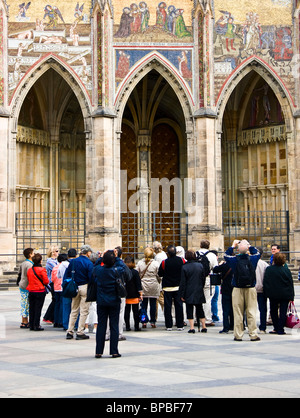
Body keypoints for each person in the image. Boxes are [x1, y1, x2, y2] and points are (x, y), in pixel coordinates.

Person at [224, 239, 261, 342]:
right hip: (250, 288)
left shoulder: (234, 260)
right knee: (251, 312)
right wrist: (249, 246)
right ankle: (253, 334)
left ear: (238, 250)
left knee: (238, 312)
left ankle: (238, 335)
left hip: (237, 288)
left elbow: (226, 255)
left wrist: (233, 246)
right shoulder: (253, 259)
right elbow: (257, 253)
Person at [93, 250, 122, 358]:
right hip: (114, 300)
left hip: (101, 301)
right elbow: (124, 268)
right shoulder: (117, 270)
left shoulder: (98, 270)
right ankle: (114, 351)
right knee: (114, 325)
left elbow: (94, 266)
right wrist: (117, 257)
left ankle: (98, 351)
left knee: (101, 325)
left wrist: (100, 257)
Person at [65, 245, 94, 340]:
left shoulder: (73, 261)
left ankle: (70, 331)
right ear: (88, 252)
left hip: (74, 287)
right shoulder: (88, 263)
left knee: (74, 310)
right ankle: (80, 331)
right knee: (84, 311)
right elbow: (91, 277)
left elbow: (67, 274)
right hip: (84, 286)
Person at [263, 253, 295, 335]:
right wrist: (292, 296)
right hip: (285, 294)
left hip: (273, 294)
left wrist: (267, 293)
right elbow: (290, 283)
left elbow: (266, 282)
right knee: (283, 312)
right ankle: (281, 329)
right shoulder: (286, 270)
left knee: (273, 311)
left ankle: (276, 327)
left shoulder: (269, 269)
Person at [158, 244, 185, 331]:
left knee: (168, 306)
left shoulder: (164, 262)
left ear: (168, 253)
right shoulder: (181, 261)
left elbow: (160, 274)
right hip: (178, 286)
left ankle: (169, 325)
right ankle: (180, 324)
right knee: (179, 306)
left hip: (167, 287)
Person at [179, 250, 206, 333]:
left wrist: (181, 294)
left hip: (188, 290)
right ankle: (204, 326)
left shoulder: (184, 267)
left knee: (189, 308)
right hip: (198, 289)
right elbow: (203, 278)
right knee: (200, 308)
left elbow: (183, 282)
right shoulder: (200, 266)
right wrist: (201, 286)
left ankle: (192, 327)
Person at [136, 247, 161, 328]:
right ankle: (153, 321)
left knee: (144, 304)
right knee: (153, 304)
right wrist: (158, 281)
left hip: (143, 285)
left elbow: (137, 274)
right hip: (153, 285)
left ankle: (144, 321)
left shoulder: (140, 263)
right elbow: (159, 275)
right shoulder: (156, 263)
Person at [196, 240, 218, 326]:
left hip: (196, 279)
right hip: (207, 279)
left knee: (196, 299)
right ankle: (207, 319)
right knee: (207, 300)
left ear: (200, 245)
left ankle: (196, 318)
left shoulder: (196, 253)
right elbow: (215, 268)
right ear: (208, 246)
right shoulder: (212, 255)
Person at [27, 253, 49, 331]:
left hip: (31, 290)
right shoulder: (42, 270)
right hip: (40, 290)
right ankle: (36, 324)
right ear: (40, 261)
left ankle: (31, 324)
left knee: (32, 308)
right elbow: (46, 281)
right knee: (38, 308)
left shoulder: (30, 270)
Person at [213, 261, 234, 334]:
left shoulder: (225, 265)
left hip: (225, 289)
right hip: (235, 289)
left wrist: (221, 264)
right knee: (234, 309)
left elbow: (215, 269)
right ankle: (233, 325)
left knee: (225, 309)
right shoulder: (236, 264)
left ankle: (226, 327)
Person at [59, 248, 77, 330]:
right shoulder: (77, 263)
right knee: (76, 307)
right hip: (75, 286)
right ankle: (75, 325)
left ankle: (66, 324)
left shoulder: (62, 264)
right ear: (76, 255)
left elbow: (59, 276)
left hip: (66, 286)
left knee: (66, 307)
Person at [124, 255, 143, 331]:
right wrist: (140, 294)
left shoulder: (123, 272)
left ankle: (128, 326)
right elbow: (138, 284)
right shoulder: (135, 272)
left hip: (126, 294)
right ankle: (136, 326)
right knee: (135, 311)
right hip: (135, 294)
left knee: (127, 312)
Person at [43, 245, 59, 324]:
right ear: (52, 252)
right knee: (55, 299)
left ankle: (51, 317)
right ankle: (48, 317)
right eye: (56, 251)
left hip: (56, 282)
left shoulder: (56, 261)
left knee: (55, 300)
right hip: (52, 282)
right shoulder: (50, 262)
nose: (58, 252)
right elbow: (57, 269)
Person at [18, 248, 34, 329]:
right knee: (26, 304)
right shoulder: (30, 264)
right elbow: (30, 275)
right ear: (30, 254)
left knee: (24, 303)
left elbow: (19, 273)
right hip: (26, 285)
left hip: (22, 284)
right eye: (33, 253)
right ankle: (25, 321)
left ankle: (24, 320)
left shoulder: (23, 263)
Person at [52, 253, 68, 328]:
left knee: (57, 304)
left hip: (56, 288)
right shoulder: (66, 266)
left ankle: (56, 321)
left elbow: (52, 279)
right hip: (62, 288)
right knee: (62, 305)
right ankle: (61, 321)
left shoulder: (55, 267)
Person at [255, 247, 269, 334]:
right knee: (263, 309)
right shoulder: (265, 264)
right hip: (262, 289)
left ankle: (249, 326)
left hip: (251, 289)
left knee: (250, 309)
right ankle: (263, 327)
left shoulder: (250, 263)